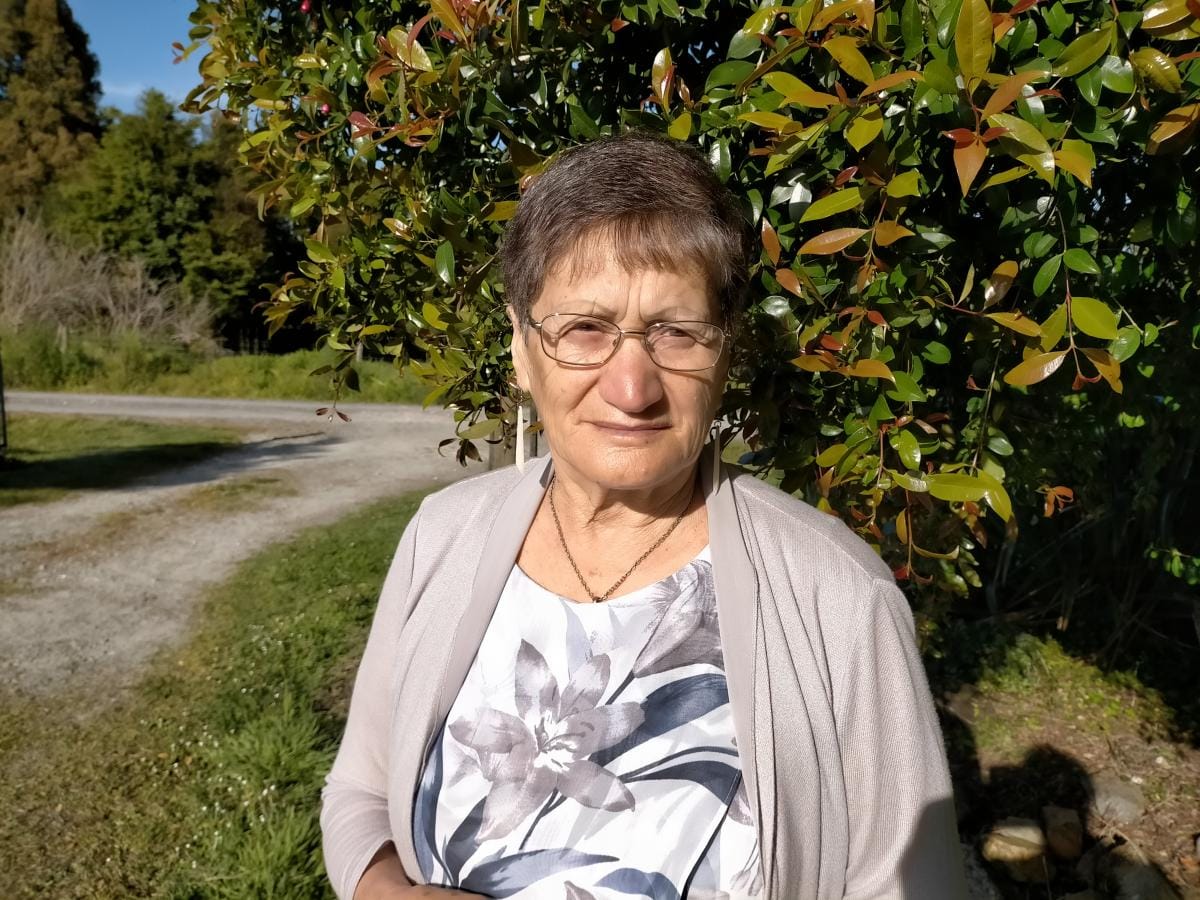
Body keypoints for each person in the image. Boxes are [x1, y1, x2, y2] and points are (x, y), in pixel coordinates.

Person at [320, 131, 968, 900]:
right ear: (523, 350)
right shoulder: (442, 535)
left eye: (676, 332)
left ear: (723, 356)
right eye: (584, 330)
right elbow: (360, 790)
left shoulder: (838, 598)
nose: (633, 388)